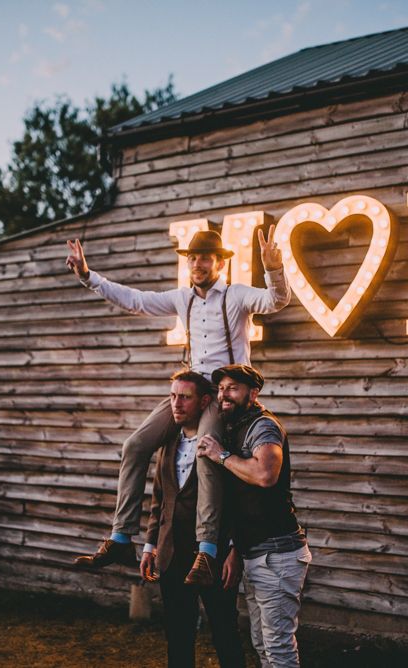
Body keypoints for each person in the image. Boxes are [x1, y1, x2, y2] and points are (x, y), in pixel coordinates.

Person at [66, 228, 289, 584]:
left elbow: (276, 300)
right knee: (135, 446)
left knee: (206, 451)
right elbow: (134, 300)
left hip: (220, 393)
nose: (197, 263)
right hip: (190, 387)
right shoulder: (182, 298)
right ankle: (122, 537)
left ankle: (207, 552)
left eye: (204, 257)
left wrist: (274, 269)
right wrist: (88, 277)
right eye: (192, 257)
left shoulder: (236, 296)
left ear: (219, 262)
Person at [197, 364, 311, 668]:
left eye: (233, 388)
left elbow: (265, 475)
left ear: (253, 393)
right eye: (221, 389)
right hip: (254, 551)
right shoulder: (237, 426)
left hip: (277, 552)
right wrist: (236, 549)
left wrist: (221, 456)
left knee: (277, 647)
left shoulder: (263, 426)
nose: (224, 395)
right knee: (262, 643)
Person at [140, 370, 245, 668]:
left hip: (213, 557)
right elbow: (159, 499)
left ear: (204, 402)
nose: (176, 404)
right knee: (178, 635)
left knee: (225, 633)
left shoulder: (224, 443)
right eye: (173, 396)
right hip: (172, 555)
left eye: (185, 397)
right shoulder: (168, 441)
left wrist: (236, 550)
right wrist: (150, 546)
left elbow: (239, 500)